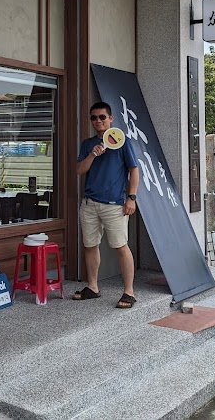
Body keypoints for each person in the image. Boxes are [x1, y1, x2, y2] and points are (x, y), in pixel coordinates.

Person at [73, 102, 140, 309]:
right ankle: (92, 287)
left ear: (111, 119)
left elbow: (134, 170)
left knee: (121, 246)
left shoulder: (122, 142)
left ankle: (129, 292)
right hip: (90, 203)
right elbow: (79, 170)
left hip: (115, 205)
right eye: (94, 118)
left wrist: (131, 198)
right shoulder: (87, 144)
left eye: (102, 117)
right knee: (90, 245)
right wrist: (93, 154)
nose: (98, 121)